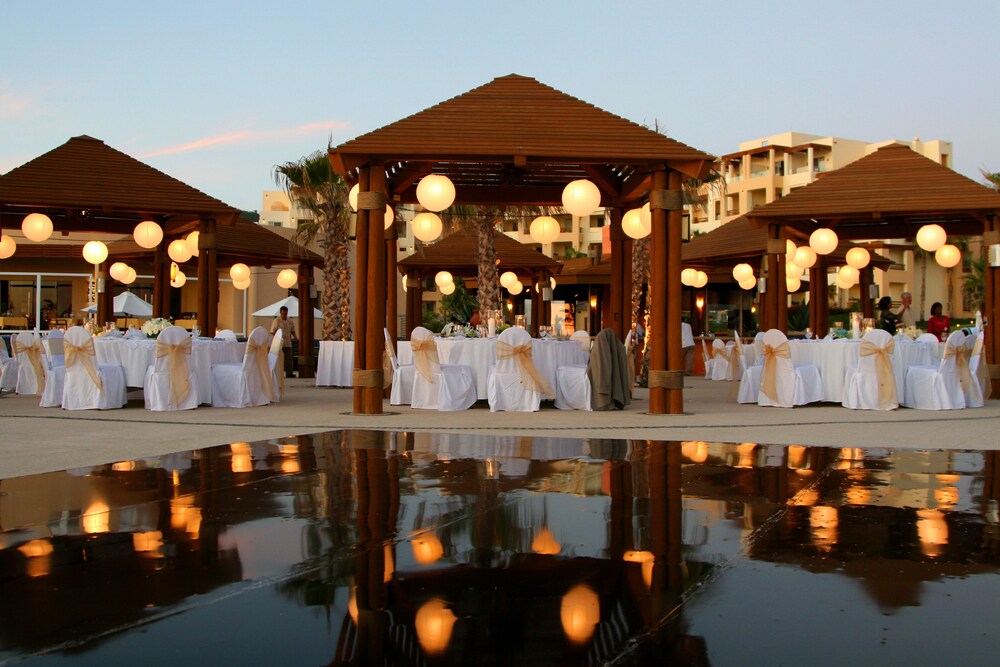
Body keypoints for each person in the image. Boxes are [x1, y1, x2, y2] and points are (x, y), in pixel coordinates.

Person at [270, 306, 297, 378]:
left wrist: (295, 337)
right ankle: (277, 373)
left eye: (285, 314)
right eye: (283, 314)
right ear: (280, 313)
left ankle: (289, 373)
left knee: (289, 358)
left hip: (287, 342)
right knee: (278, 358)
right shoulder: (277, 321)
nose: (284, 315)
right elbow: (272, 331)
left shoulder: (290, 321)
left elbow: (293, 331)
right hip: (279, 343)